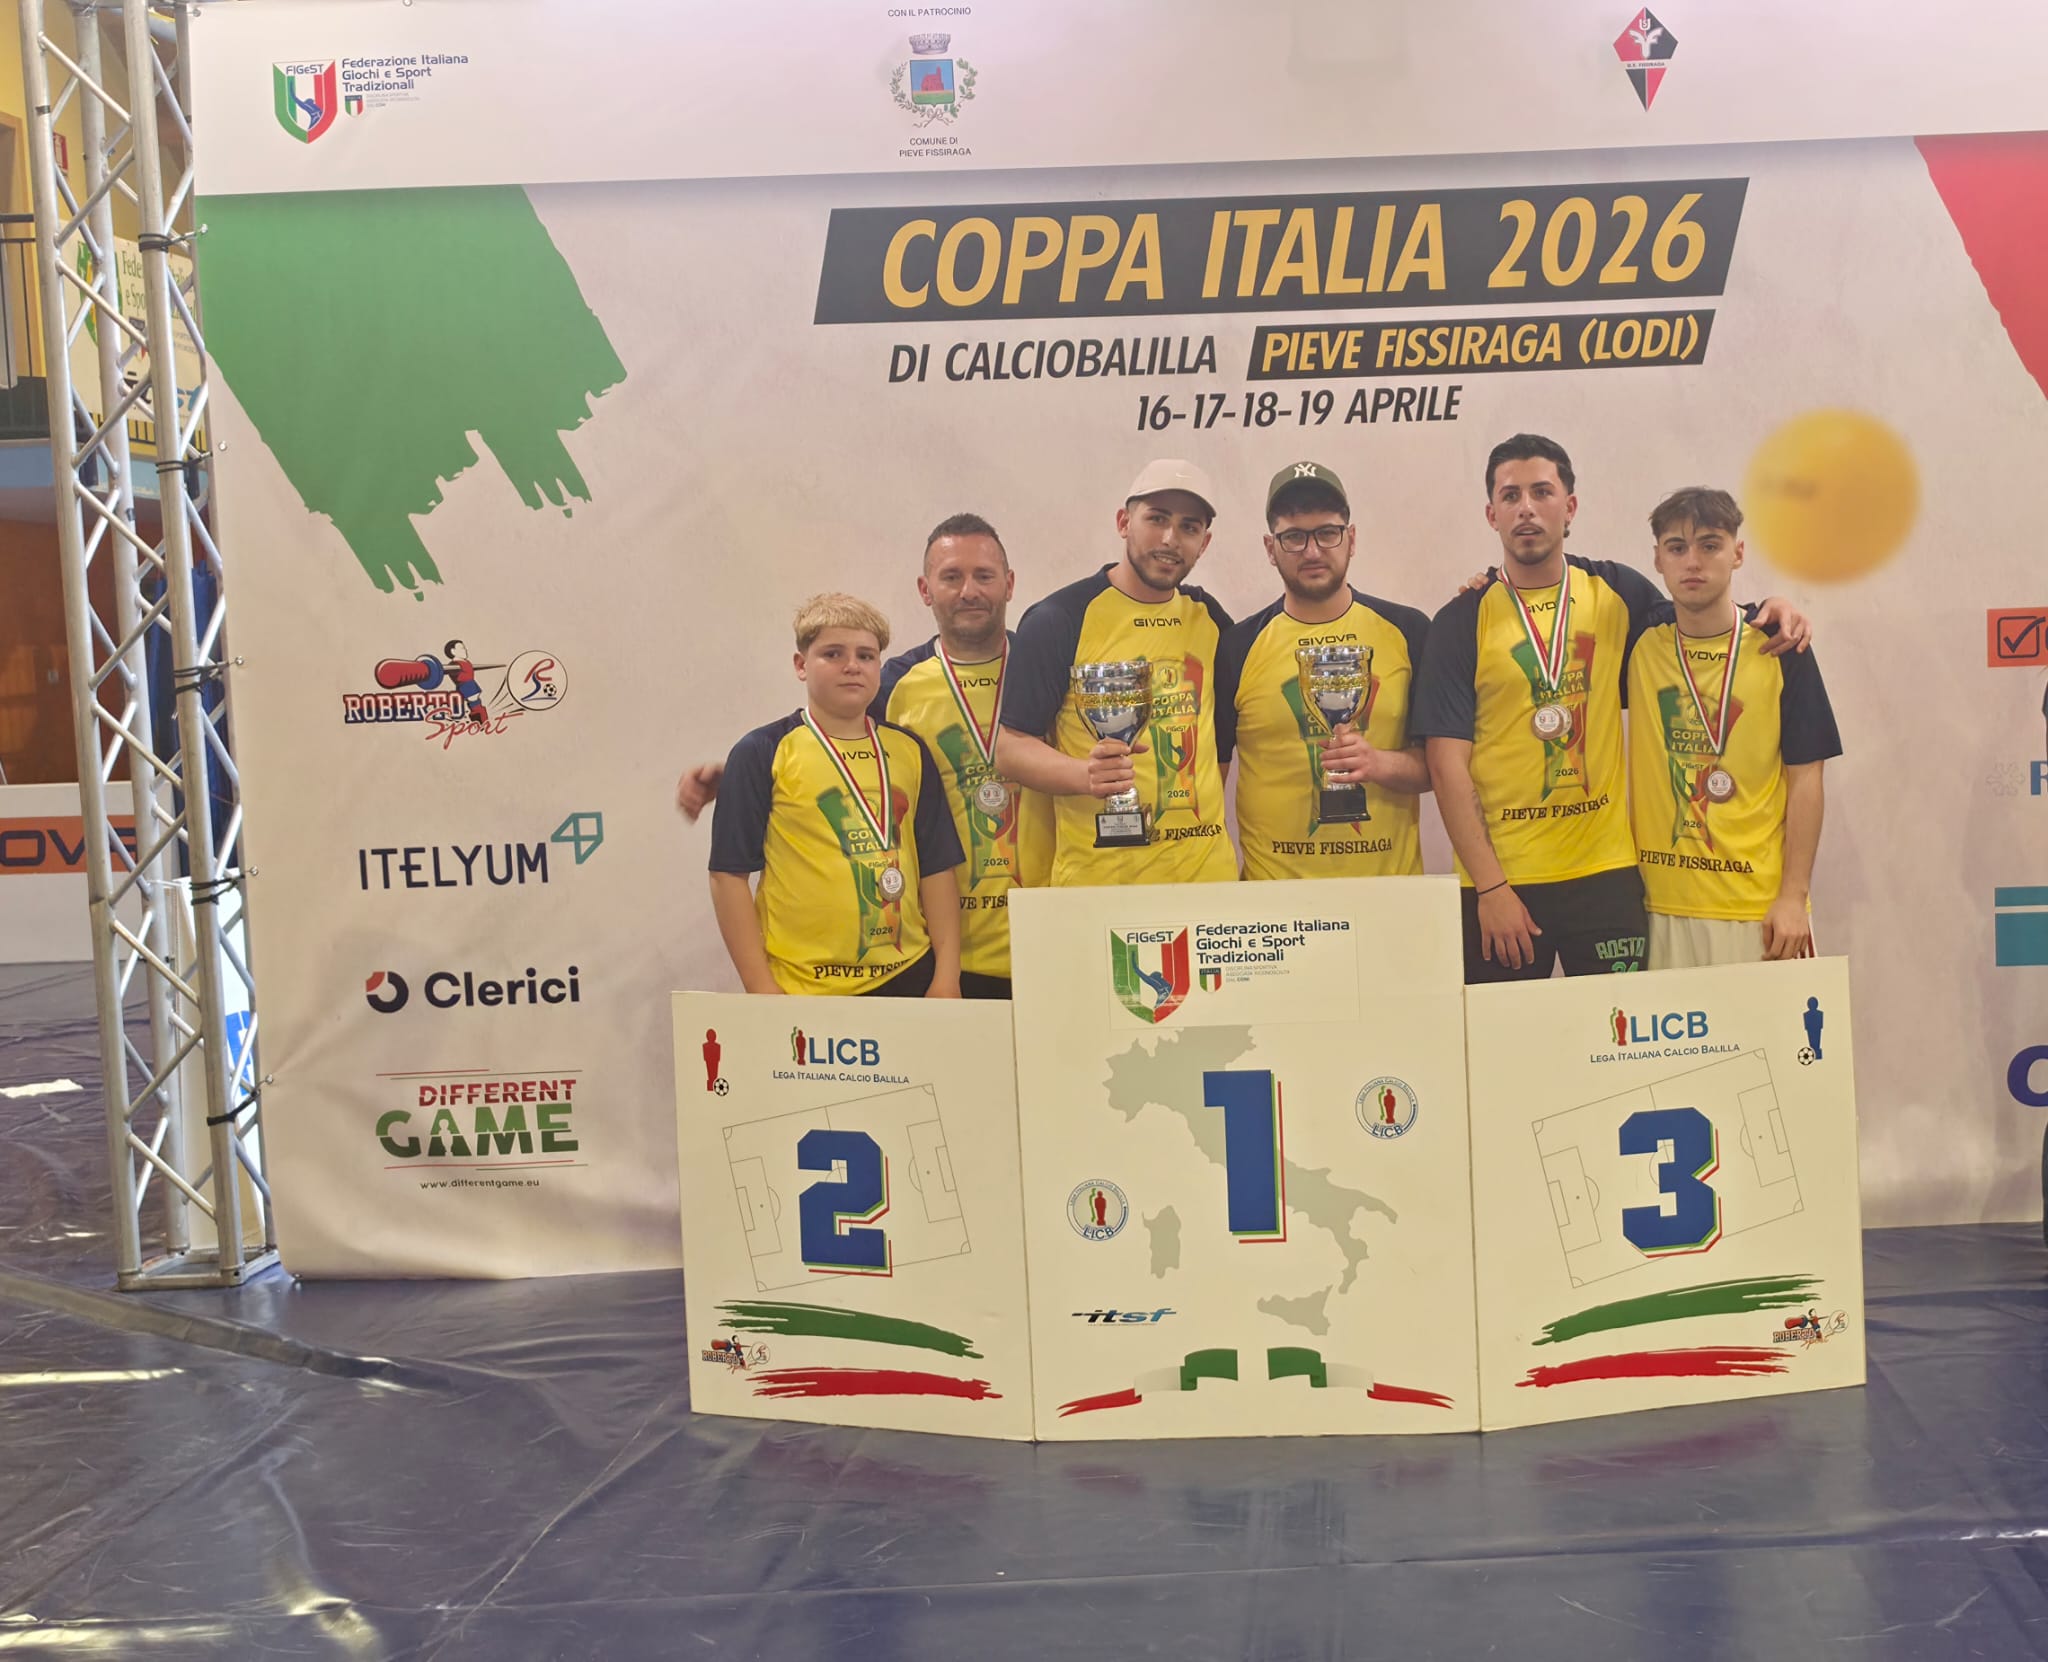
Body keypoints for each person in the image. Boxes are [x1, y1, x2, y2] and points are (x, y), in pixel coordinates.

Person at [1412, 433, 1812, 983]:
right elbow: (1446, 765)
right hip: (1503, 884)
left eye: (1541, 492)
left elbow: (1697, 612)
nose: (1526, 507)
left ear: (1570, 507)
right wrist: (1491, 886)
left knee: (1621, 1036)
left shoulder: (1619, 592)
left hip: (1608, 876)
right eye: (1510, 496)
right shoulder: (1461, 619)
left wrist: (1768, 608)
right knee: (1500, 1036)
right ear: (1491, 514)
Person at [679, 515, 1048, 1000]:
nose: (968, 591)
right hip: (945, 955)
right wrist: (738, 777)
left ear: (1009, 583)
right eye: (951, 576)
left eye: (983, 575)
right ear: (925, 589)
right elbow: (831, 745)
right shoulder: (894, 683)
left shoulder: (1049, 666)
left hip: (1045, 936)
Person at [1626, 487, 1841, 968]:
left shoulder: (1781, 648)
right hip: (1660, 907)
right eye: (1677, 548)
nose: (1693, 562)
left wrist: (1793, 895)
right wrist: (1489, 581)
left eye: (1710, 545)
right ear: (1658, 560)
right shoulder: (1638, 641)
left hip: (1757, 910)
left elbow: (1807, 778)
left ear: (1737, 553)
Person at [995, 459, 1237, 886]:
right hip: (1101, 886)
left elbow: (1219, 750)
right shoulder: (1059, 618)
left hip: (1206, 883)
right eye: (1156, 519)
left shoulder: (1210, 618)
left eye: (1189, 527)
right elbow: (1008, 748)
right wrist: (1084, 776)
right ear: (1124, 522)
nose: (1170, 539)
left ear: (1205, 542)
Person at [706, 593, 962, 996]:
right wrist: (760, 987)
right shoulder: (762, 751)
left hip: (908, 973)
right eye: (833, 654)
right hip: (803, 985)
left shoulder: (910, 750)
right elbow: (728, 875)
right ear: (800, 665)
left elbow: (937, 868)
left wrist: (947, 975)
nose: (852, 666)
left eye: (866, 655)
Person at [1215, 460, 1432, 879]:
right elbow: (1208, 781)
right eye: (1294, 536)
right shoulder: (1236, 647)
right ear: (1270, 547)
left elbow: (1443, 767)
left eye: (1328, 533)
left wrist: (1379, 763)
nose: (1312, 551)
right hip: (1275, 899)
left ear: (1351, 539)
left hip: (1389, 895)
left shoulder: (1409, 631)